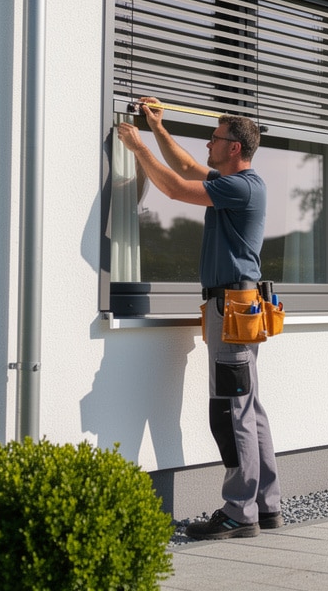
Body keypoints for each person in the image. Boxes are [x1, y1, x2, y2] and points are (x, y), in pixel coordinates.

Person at [117, 97, 282, 540]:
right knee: (249, 409)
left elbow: (173, 187)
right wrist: (156, 128)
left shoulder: (243, 186)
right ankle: (267, 506)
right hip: (235, 306)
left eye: (216, 137)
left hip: (231, 308)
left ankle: (237, 512)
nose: (209, 142)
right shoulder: (237, 185)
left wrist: (136, 146)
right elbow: (188, 167)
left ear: (234, 148)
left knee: (231, 412)